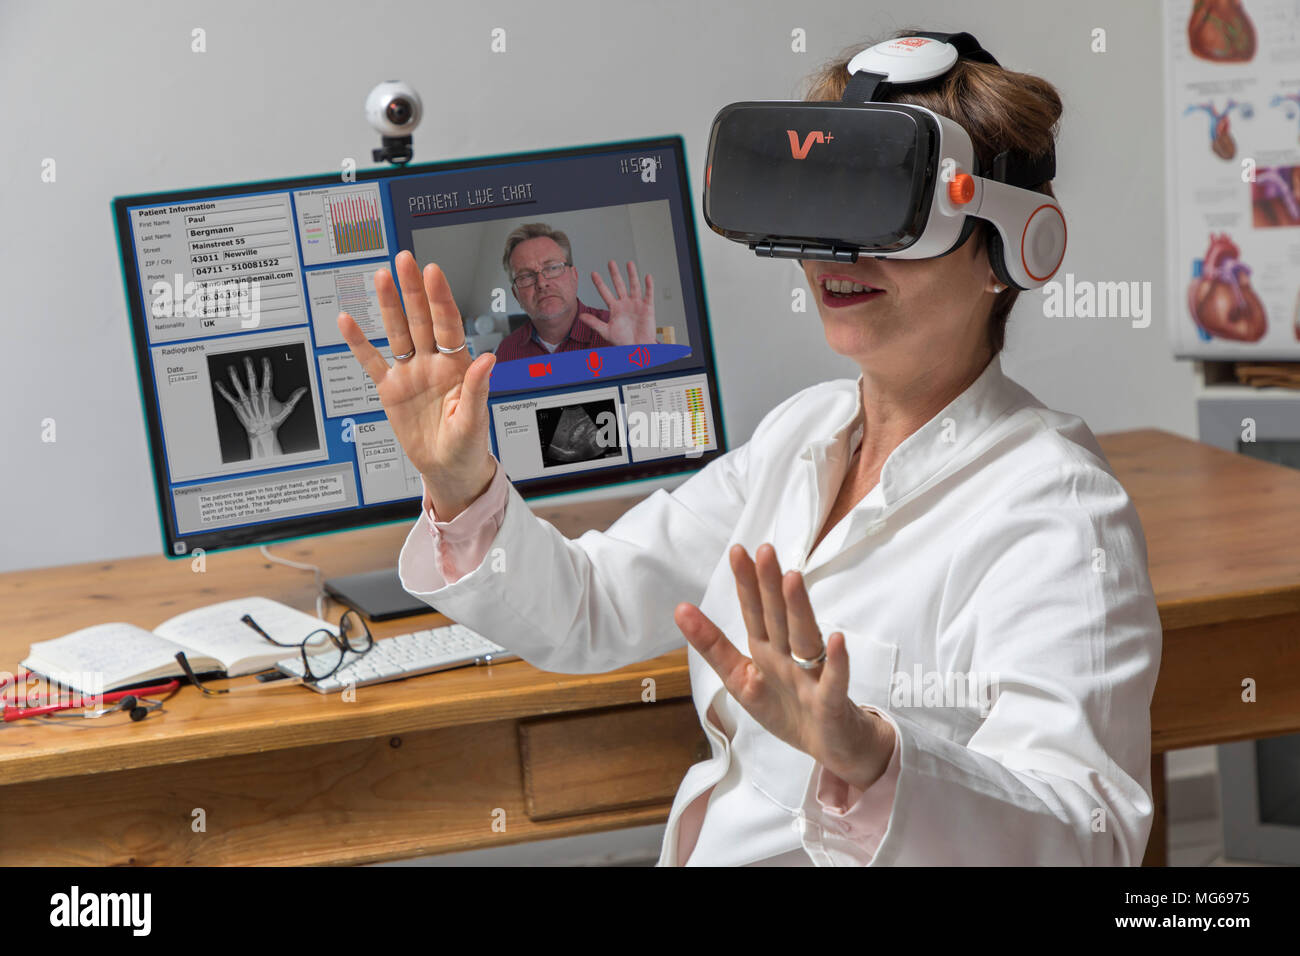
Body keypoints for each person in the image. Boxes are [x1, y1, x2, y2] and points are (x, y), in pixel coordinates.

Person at [336, 31, 1162, 866]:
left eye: (886, 209)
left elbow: (1089, 834)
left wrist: (873, 761)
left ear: (1013, 251)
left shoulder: (1057, 511)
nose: (833, 253)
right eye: (820, 204)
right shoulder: (804, 435)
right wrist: (460, 482)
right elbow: (588, 607)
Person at [493, 222, 656, 361]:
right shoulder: (507, 353)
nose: (542, 283)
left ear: (574, 276)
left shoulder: (619, 332)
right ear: (516, 295)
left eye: (552, 267)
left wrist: (645, 352)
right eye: (526, 276)